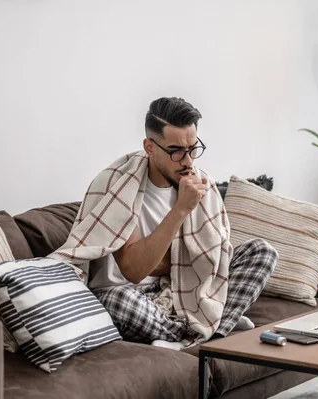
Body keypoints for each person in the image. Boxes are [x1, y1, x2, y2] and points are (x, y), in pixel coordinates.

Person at [56, 97, 278, 349]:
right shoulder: (118, 185)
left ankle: (202, 328)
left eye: (193, 148)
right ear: (150, 147)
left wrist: (182, 264)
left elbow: (213, 258)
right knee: (119, 302)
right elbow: (134, 271)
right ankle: (203, 330)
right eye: (175, 151)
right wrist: (181, 208)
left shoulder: (201, 182)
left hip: (179, 287)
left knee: (261, 252)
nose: (188, 161)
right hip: (129, 294)